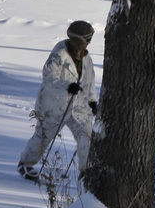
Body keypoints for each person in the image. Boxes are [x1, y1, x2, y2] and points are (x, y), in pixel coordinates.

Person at [18, 20, 97, 182]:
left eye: (90, 40)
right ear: (77, 39)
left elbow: (90, 82)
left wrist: (92, 102)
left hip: (79, 108)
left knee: (87, 137)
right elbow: (49, 78)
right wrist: (67, 86)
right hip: (55, 105)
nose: (89, 43)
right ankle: (25, 164)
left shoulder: (86, 59)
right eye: (87, 39)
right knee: (43, 136)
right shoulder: (59, 55)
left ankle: (86, 172)